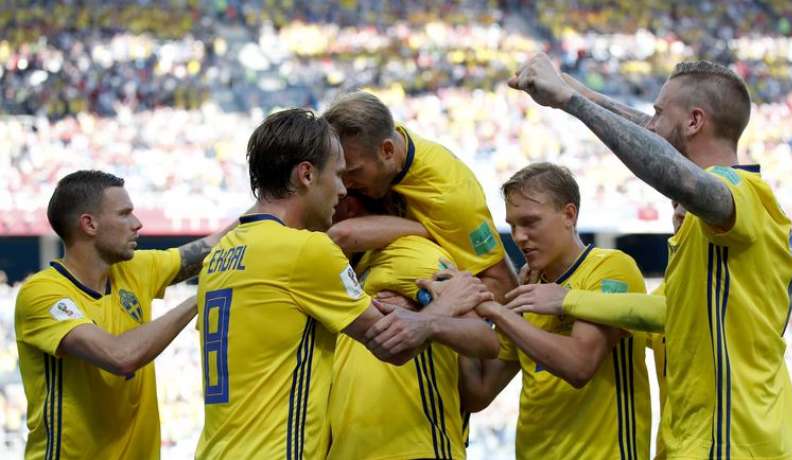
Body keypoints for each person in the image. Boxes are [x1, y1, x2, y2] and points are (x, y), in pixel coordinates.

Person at [509, 54, 792, 458]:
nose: (650, 121)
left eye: (659, 112)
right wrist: (581, 92)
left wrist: (572, 103)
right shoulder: (712, 237)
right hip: (710, 438)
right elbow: (664, 312)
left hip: (732, 441)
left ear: (695, 121)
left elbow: (677, 174)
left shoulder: (743, 192)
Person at [194, 108, 493, 459]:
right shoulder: (306, 252)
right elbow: (394, 344)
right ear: (306, 175)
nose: (341, 188)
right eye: (338, 176)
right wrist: (442, 306)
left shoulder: (221, 255)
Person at [14, 169, 237, 459]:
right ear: (89, 224)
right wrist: (203, 296)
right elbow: (120, 357)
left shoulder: (133, 269)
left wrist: (272, 204)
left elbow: (214, 245)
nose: (137, 223)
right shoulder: (43, 294)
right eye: (124, 214)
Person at [459, 162, 651, 460]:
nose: (519, 236)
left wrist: (497, 312)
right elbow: (479, 393)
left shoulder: (611, 268)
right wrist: (461, 311)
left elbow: (579, 365)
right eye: (512, 225)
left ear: (569, 215)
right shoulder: (526, 290)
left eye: (530, 222)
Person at [328, 194, 499, 460]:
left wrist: (427, 320)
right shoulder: (351, 268)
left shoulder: (413, 252)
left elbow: (484, 339)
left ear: (351, 206)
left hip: (416, 448)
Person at [322, 91, 518, 302]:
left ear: (387, 150)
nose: (344, 185)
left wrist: (425, 310)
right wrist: (428, 232)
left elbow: (501, 285)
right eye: (340, 173)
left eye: (353, 172)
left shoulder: (451, 197)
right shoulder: (369, 139)